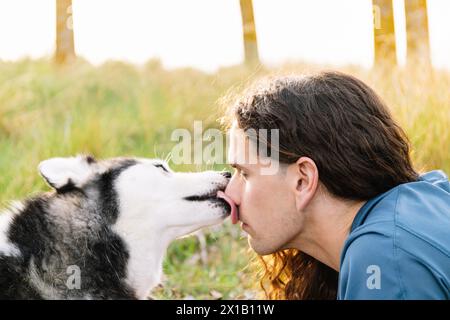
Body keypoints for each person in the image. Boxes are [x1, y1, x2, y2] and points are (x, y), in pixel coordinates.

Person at [221, 71, 450, 299]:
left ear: (303, 180)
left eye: (244, 173)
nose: (230, 194)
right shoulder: (427, 200)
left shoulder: (384, 256)